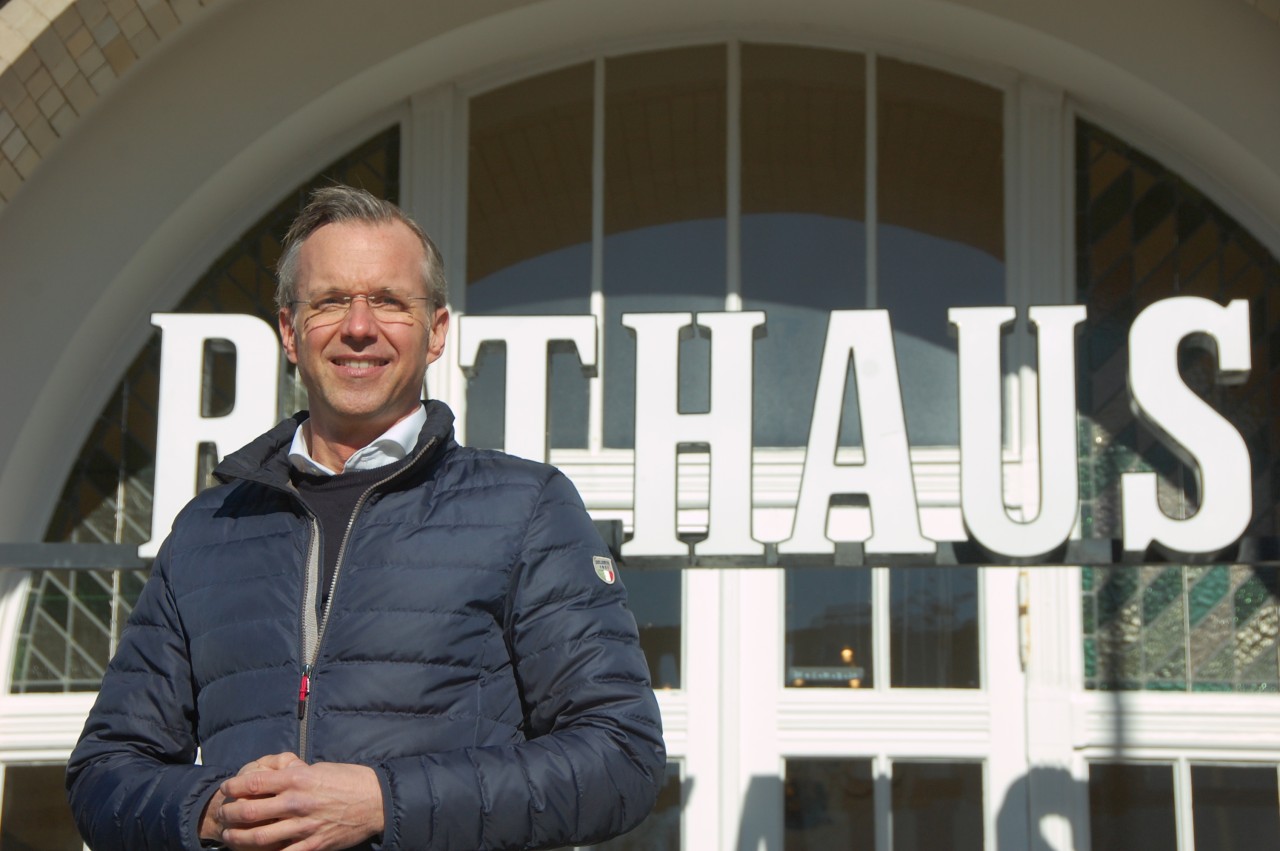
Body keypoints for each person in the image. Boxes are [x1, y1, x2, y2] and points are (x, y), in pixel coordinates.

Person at [66, 185, 666, 850]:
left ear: (436, 331)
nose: (358, 326)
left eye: (388, 301)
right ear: (289, 332)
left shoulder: (525, 508)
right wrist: (214, 808)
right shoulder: (211, 529)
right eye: (329, 302)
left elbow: (621, 758)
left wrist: (384, 801)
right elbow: (104, 771)